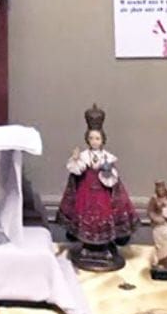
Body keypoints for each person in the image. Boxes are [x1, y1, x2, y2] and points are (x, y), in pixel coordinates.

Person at [56, 104, 138, 270]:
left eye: (97, 138)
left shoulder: (107, 157)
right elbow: (76, 170)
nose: (94, 141)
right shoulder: (84, 156)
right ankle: (87, 246)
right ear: (87, 139)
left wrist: (107, 171)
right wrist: (76, 159)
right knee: (85, 217)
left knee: (103, 216)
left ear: (103, 140)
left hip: (102, 194)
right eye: (92, 138)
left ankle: (105, 246)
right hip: (86, 193)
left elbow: (113, 180)